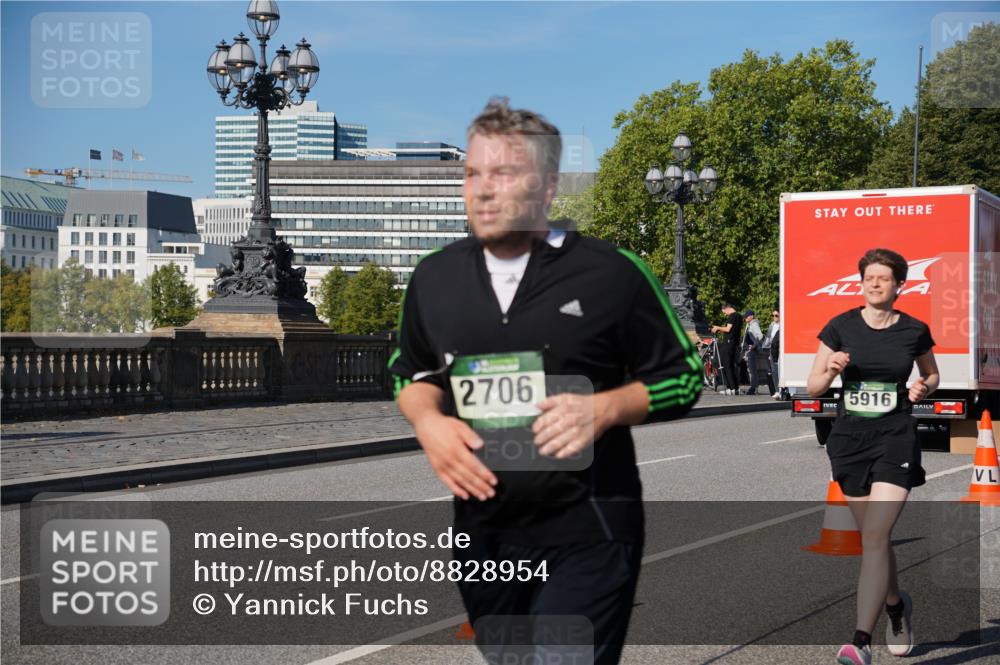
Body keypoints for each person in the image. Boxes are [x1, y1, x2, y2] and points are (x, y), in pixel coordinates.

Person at [389, 97, 702, 664]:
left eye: (504, 173)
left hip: (590, 528)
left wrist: (604, 409)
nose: (483, 190)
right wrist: (429, 421)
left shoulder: (612, 272)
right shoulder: (434, 277)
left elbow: (683, 376)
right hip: (484, 536)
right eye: (473, 174)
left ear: (548, 186)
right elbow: (410, 374)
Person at [806, 248, 939, 665]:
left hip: (895, 437)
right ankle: (896, 606)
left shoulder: (914, 330)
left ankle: (860, 642)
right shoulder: (840, 327)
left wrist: (923, 387)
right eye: (869, 278)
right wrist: (831, 369)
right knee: (873, 541)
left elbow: (931, 373)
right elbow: (813, 387)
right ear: (861, 283)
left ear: (900, 285)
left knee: (878, 535)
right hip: (850, 440)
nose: (875, 284)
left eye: (883, 278)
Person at [711, 302, 743, 395]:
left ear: (727, 308)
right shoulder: (739, 316)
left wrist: (717, 327)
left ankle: (730, 388)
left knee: (726, 365)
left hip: (728, 344)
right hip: (734, 344)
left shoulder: (732, 316)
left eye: (724, 312)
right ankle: (736, 388)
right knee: (731, 366)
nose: (725, 314)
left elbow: (728, 329)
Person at [741, 310, 763, 395]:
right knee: (750, 370)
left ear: (752, 316)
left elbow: (760, 336)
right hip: (748, 350)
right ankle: (753, 388)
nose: (745, 318)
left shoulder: (754, 324)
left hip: (752, 351)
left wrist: (753, 346)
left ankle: (753, 388)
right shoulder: (749, 324)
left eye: (747, 316)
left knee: (752, 370)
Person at [763, 309, 782, 399]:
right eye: (773, 315)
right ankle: (777, 391)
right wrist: (765, 347)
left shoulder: (783, 325)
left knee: (780, 371)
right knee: (774, 371)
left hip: (780, 351)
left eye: (776, 315)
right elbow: (768, 338)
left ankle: (782, 390)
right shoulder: (772, 325)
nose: (774, 317)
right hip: (772, 350)